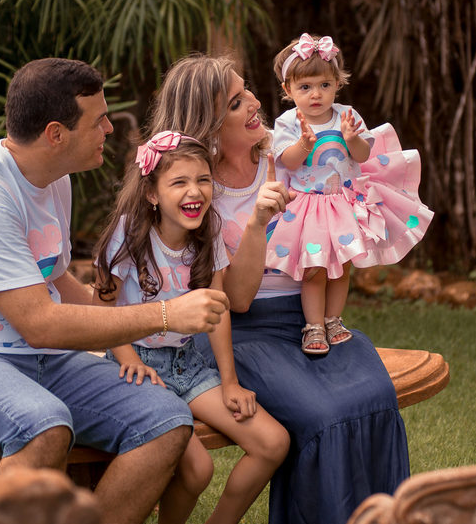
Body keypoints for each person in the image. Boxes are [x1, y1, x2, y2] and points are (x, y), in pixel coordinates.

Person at [0, 58, 230, 524]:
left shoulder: (55, 181)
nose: (110, 128)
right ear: (55, 134)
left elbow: (55, 277)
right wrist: (166, 314)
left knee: (167, 421)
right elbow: (40, 324)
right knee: (43, 425)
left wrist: (114, 320)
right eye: (99, 120)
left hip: (35, 361)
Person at [145, 53, 413, 524]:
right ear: (207, 124)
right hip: (242, 332)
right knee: (326, 414)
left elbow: (346, 181)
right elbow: (236, 300)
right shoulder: (195, 189)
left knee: (374, 397)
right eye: (235, 103)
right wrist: (256, 223)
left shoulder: (290, 150)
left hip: (308, 321)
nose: (253, 103)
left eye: (246, 90)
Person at [92, 131, 289, 524]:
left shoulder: (208, 234)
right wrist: (128, 358)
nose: (194, 191)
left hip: (188, 364)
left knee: (273, 443)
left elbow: (218, 310)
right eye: (179, 182)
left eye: (202, 180)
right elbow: (103, 309)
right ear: (152, 193)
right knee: (198, 470)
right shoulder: (129, 234)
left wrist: (230, 382)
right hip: (136, 368)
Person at [267, 33, 432, 354]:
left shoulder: (347, 115)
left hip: (345, 203)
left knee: (342, 267)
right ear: (288, 90)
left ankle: (333, 320)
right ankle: (313, 326)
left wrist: (352, 139)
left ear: (337, 84)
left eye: (324, 85)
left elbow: (362, 155)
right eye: (305, 87)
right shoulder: (289, 122)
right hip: (308, 207)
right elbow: (288, 160)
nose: (316, 94)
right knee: (315, 269)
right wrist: (304, 144)